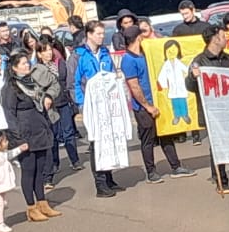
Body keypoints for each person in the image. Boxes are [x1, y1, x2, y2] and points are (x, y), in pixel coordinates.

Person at [121, 25, 196, 184]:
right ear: (138, 38)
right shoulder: (128, 60)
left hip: (158, 102)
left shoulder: (145, 54)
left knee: (166, 135)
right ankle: (151, 172)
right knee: (148, 140)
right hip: (143, 108)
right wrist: (148, 106)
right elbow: (134, 86)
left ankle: (176, 166)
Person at [187, 25, 229, 194]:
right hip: (213, 114)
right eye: (223, 36)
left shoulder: (228, 59)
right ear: (215, 39)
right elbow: (189, 86)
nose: (226, 39)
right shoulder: (199, 61)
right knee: (218, 146)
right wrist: (193, 77)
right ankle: (221, 181)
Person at [3, 51, 62, 222]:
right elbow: (9, 115)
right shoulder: (11, 88)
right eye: (23, 63)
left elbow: (50, 88)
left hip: (39, 129)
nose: (27, 65)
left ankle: (42, 203)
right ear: (14, 68)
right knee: (29, 170)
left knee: (40, 169)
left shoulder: (32, 82)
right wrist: (19, 139)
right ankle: (31, 207)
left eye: (27, 62)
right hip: (24, 132)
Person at [75, 20, 126, 197]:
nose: (102, 37)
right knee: (96, 142)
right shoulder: (79, 56)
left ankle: (109, 179)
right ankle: (100, 184)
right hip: (90, 105)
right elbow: (74, 83)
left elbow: (110, 75)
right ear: (89, 34)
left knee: (108, 141)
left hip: (107, 104)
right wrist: (82, 104)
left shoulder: (105, 53)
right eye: (98, 34)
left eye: (103, 34)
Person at [39, 35, 80, 186]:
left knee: (69, 132)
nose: (49, 53)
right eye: (45, 50)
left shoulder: (60, 63)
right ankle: (54, 163)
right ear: (39, 54)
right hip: (50, 106)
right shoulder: (38, 70)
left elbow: (67, 80)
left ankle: (75, 160)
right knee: (54, 135)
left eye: (50, 49)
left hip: (63, 102)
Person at [156, 40, 191, 126]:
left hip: (181, 86)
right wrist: (162, 84)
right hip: (172, 87)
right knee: (175, 103)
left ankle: (185, 115)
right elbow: (162, 75)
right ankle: (177, 116)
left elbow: (186, 70)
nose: (172, 53)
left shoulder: (179, 63)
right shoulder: (166, 65)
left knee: (182, 101)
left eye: (174, 50)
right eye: (169, 51)